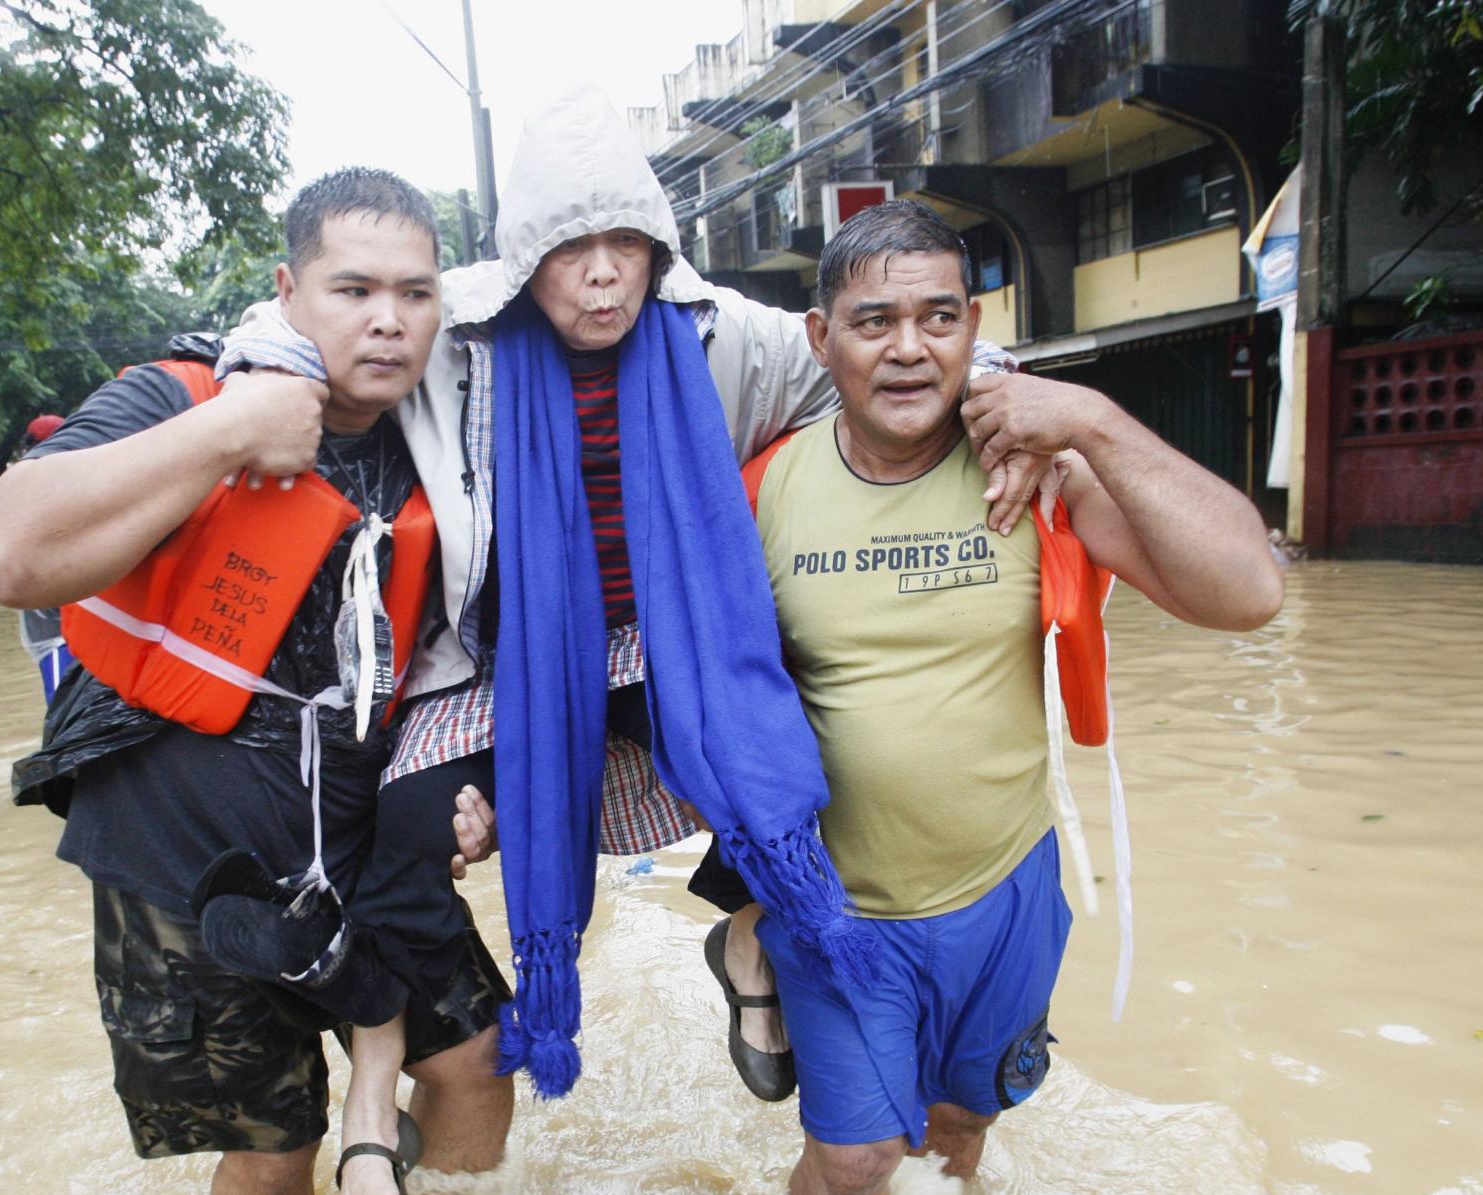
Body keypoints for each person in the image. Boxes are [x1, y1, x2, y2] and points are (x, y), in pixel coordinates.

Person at [226, 88, 1054, 1107]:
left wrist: (1013, 403)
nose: (605, 272)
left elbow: (891, 352)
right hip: (505, 663)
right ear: (526, 257)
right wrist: (260, 383)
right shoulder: (455, 331)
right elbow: (302, 320)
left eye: (628, 241)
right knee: (402, 837)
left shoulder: (717, 330)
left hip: (674, 640)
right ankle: (389, 1079)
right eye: (572, 248)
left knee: (793, 765)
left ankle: (752, 942)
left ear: (659, 246)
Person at [687, 200, 1284, 1195]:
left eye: (937, 317)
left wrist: (1092, 421)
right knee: (857, 1162)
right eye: (872, 322)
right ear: (820, 340)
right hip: (840, 913)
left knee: (960, 1130)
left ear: (975, 327)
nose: (909, 349)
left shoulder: (1041, 471)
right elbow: (696, 698)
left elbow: (1247, 593)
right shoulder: (762, 489)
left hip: (1005, 887)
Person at [0, 169, 513, 1195]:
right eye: (352, 287)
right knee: (273, 1151)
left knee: (473, 1057)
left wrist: (480, 791)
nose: (386, 319)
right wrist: (227, 432)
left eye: (414, 294)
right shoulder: (184, 392)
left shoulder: (453, 436)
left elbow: (480, 658)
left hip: (361, 835)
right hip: (181, 851)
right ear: (286, 289)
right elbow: (10, 554)